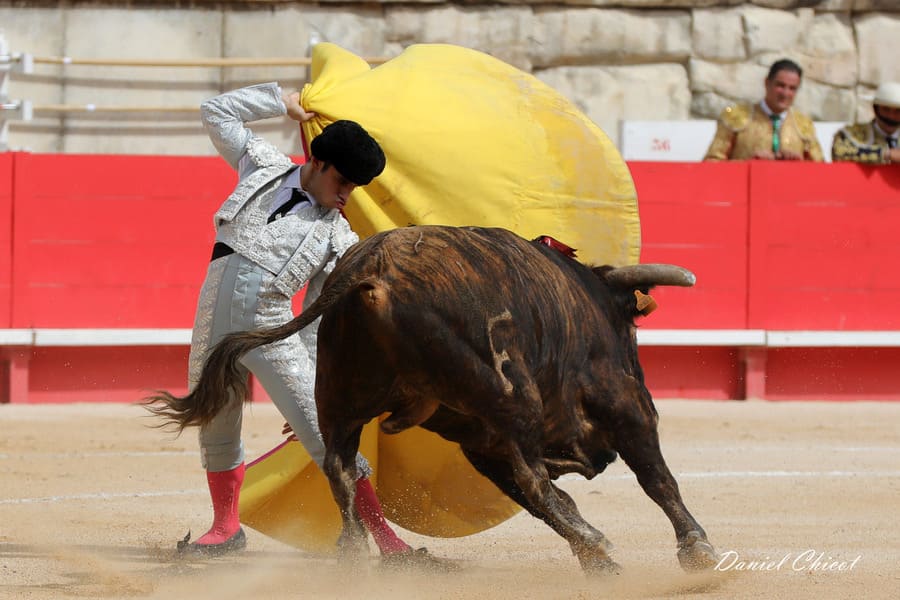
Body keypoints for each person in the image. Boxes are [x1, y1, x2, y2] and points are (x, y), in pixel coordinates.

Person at [146, 82, 435, 565]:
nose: (346, 196)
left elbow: (318, 314)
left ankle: (386, 538)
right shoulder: (262, 167)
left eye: (354, 189)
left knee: (326, 435)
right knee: (216, 422)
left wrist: (318, 381)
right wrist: (279, 102)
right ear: (318, 163)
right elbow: (215, 111)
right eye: (342, 182)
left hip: (272, 327)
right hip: (211, 319)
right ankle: (225, 528)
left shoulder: (337, 237)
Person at [704, 59, 824, 162]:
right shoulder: (736, 117)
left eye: (792, 88)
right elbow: (711, 163)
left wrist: (800, 164)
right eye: (780, 85)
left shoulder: (803, 124)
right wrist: (749, 164)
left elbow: (821, 171)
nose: (785, 93)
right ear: (767, 83)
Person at [832, 81, 900, 164]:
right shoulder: (851, 134)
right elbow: (839, 152)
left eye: (898, 111)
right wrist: (887, 154)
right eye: (886, 109)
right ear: (875, 109)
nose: (891, 116)